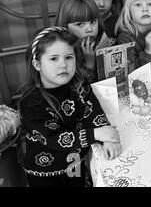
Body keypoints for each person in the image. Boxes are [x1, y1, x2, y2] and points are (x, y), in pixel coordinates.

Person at [18, 27, 121, 187]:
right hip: (45, 174)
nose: (63, 65)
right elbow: (55, 138)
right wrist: (97, 134)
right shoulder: (30, 103)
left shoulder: (80, 85)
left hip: (75, 162)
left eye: (68, 57)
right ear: (37, 64)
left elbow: (93, 112)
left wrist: (108, 138)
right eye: (53, 59)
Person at [55, 0, 116, 83]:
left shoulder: (108, 42)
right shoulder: (62, 51)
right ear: (65, 26)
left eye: (93, 22)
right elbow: (78, 89)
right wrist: (89, 64)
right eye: (80, 24)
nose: (89, 29)